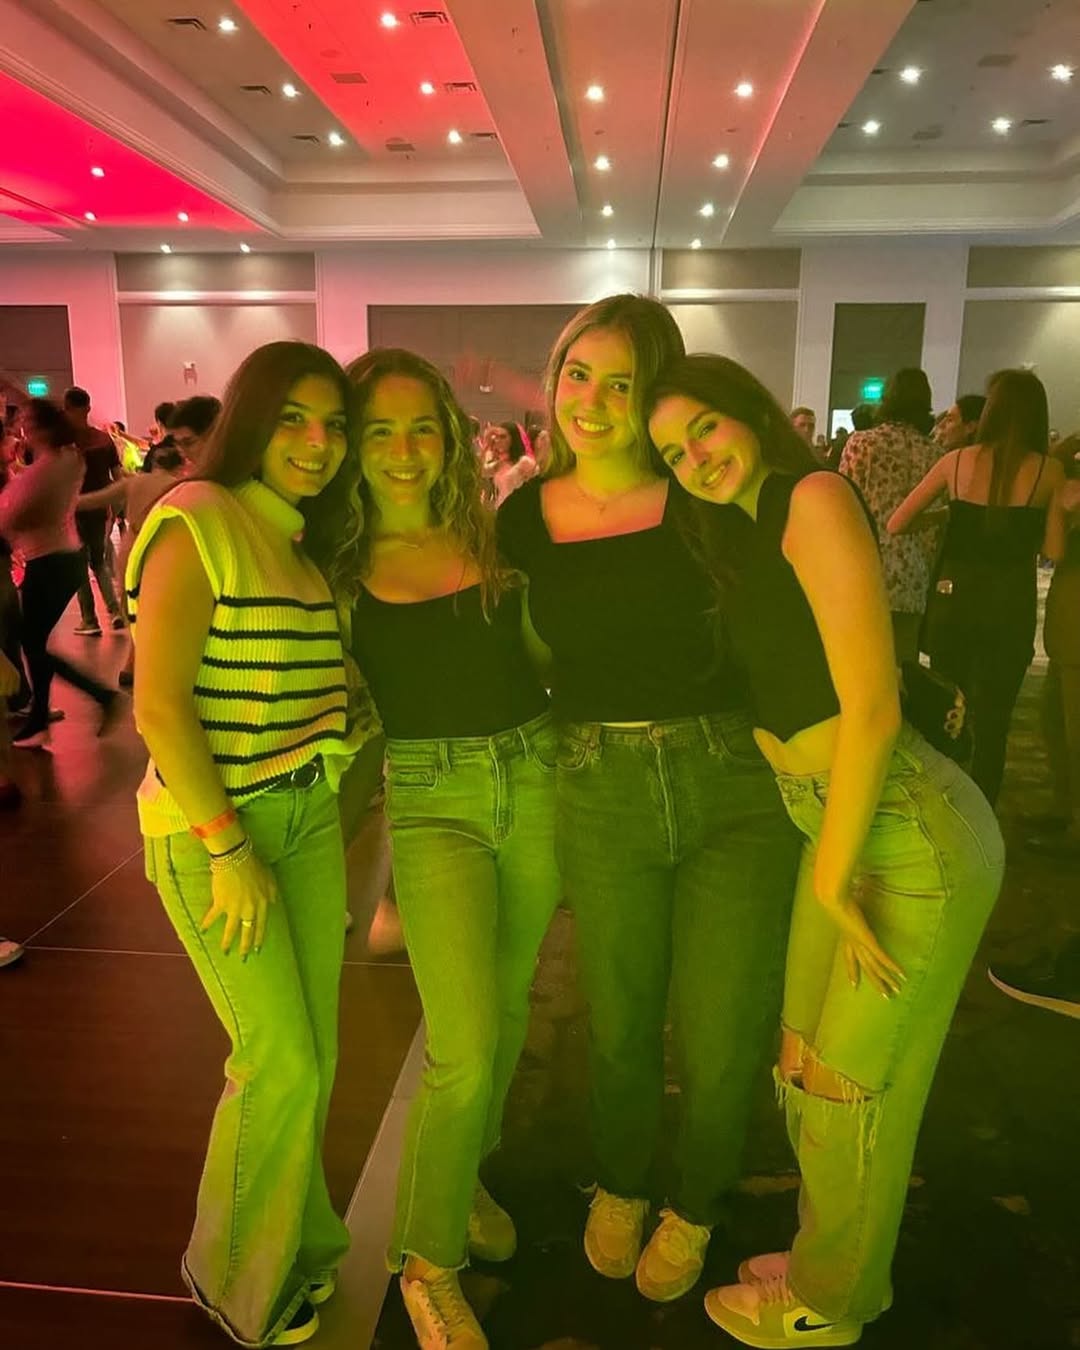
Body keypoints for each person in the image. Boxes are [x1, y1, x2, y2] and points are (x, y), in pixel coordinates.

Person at [646, 353, 1004, 1349]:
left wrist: (838, 877)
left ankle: (833, 1301)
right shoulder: (736, 526)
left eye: (705, 429)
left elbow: (873, 706)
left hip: (907, 833)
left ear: (748, 412)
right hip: (830, 820)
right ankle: (827, 1253)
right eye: (673, 453)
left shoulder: (812, 497)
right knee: (803, 1063)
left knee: (853, 1085)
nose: (694, 458)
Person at [496, 294, 801, 1306]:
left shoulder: (705, 500)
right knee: (620, 1019)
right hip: (601, 780)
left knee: (723, 1029)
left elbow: (783, 624)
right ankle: (622, 1181)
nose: (591, 400)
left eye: (620, 382)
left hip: (734, 781)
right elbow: (533, 657)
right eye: (577, 374)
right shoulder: (523, 518)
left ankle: (698, 1201)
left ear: (655, 393)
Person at [126, 341, 377, 1348]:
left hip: (303, 820)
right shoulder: (198, 518)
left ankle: (301, 1242)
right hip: (217, 832)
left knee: (315, 1054)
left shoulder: (301, 546)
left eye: (335, 425)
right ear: (252, 421)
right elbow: (158, 706)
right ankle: (230, 1278)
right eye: (294, 419)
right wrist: (229, 849)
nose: (318, 443)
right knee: (278, 1060)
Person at [342, 348, 560, 1350]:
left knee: (508, 1015)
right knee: (461, 1043)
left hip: (536, 777)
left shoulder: (492, 532)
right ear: (354, 445)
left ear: (448, 437)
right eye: (379, 431)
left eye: (420, 427)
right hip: (431, 801)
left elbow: (546, 660)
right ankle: (426, 1263)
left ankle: (461, 1170)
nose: (403, 450)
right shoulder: (339, 571)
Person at [888, 369, 1064, 805]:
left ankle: (940, 802)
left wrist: (948, 515)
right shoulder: (1049, 471)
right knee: (995, 719)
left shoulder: (956, 462)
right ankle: (984, 807)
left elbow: (897, 523)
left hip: (956, 598)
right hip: (1010, 603)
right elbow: (1053, 550)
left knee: (947, 706)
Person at [0, 400, 119, 749]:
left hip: (48, 561)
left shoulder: (46, 469)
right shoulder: (69, 459)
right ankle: (40, 718)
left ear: (41, 428)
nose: (22, 431)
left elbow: (11, 517)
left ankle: (100, 695)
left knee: (31, 642)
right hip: (64, 557)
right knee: (34, 642)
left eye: (27, 424)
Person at [838, 369, 941, 664]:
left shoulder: (861, 443)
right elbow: (935, 521)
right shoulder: (934, 453)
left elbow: (844, 503)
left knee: (857, 661)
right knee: (903, 665)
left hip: (863, 565)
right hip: (912, 572)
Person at [61, 386, 125, 636]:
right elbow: (117, 477)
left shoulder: (65, 445)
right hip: (99, 510)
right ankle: (115, 611)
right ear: (88, 408)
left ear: (67, 409)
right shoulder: (104, 440)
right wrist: (116, 508)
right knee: (99, 562)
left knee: (79, 566)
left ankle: (89, 619)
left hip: (72, 512)